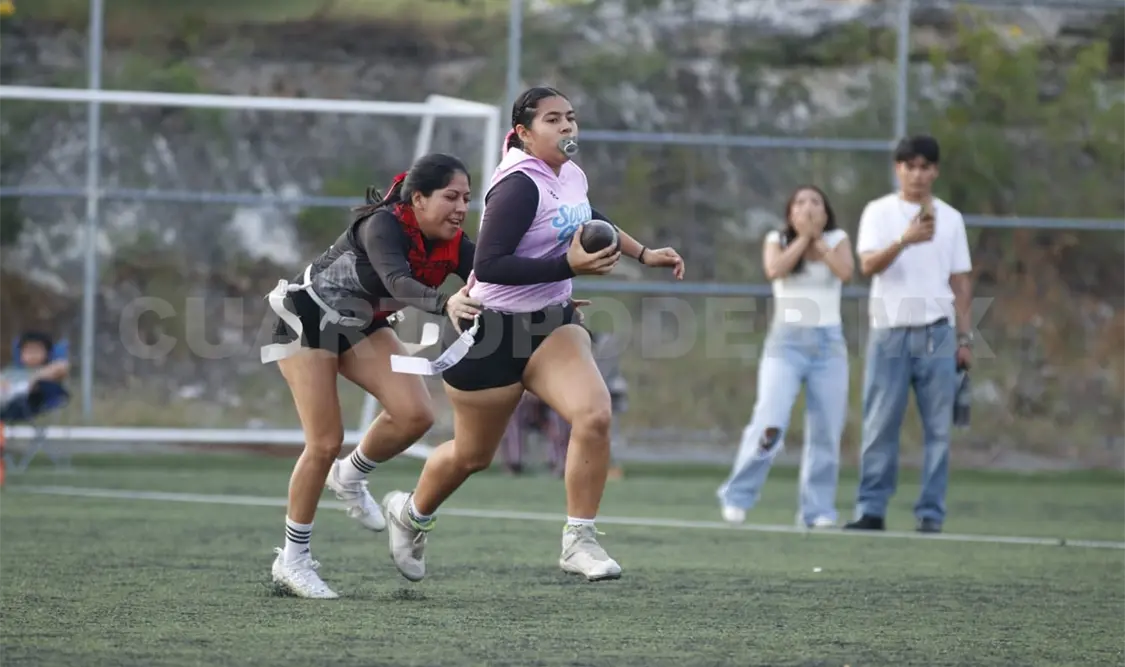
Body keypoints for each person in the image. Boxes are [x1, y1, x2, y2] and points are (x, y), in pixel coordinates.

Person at [380, 86, 685, 583]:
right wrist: (567, 266)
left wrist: (644, 253)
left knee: (594, 414)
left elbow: (588, 216)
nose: (566, 126)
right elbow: (489, 265)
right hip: (494, 333)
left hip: (551, 324)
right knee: (471, 455)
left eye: (570, 117)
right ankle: (410, 514)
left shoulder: (570, 173)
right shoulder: (518, 185)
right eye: (552, 119)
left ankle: (579, 540)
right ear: (523, 132)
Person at [260, 153, 483, 599]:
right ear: (418, 199)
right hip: (308, 318)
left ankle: (350, 475)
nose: (461, 207)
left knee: (415, 415)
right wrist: (446, 303)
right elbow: (397, 281)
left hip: (360, 324)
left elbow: (498, 280)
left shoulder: (453, 242)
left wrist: (551, 301)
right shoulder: (383, 225)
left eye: (466, 198)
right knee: (324, 442)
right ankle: (292, 560)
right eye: (451, 197)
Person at [846, 135, 973, 534]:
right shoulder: (878, 211)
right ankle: (871, 509)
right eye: (909, 166)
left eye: (925, 167)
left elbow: (960, 280)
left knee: (938, 429)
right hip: (890, 331)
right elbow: (868, 266)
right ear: (897, 169)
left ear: (935, 171)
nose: (917, 174)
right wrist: (904, 239)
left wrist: (965, 339)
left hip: (938, 332)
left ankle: (931, 514)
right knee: (880, 424)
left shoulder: (951, 218)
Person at [716, 186, 854, 528]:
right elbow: (775, 269)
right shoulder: (776, 239)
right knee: (770, 422)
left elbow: (845, 272)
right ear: (790, 213)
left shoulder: (837, 239)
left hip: (828, 346)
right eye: (800, 203)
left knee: (826, 429)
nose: (808, 208)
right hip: (786, 344)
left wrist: (818, 240)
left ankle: (817, 510)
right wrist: (803, 238)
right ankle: (737, 496)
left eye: (815, 202)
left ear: (826, 211)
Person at [0, 331, 70, 422]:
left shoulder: (51, 369)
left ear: (47, 353)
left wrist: (34, 379)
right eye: (29, 351)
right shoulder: (13, 371)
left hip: (32, 403)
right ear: (20, 354)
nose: (32, 355)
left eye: (36, 351)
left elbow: (62, 367)